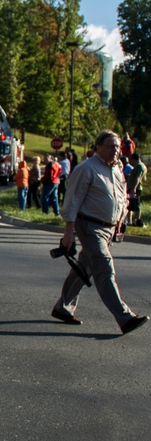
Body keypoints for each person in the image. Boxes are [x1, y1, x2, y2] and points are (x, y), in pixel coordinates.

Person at [51, 130, 147, 333]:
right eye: (111, 146)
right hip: (89, 226)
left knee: (84, 267)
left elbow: (120, 197)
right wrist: (68, 232)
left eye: (117, 147)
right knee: (104, 268)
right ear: (97, 148)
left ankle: (63, 307)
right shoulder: (86, 169)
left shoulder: (116, 168)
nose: (115, 150)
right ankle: (124, 317)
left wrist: (120, 222)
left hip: (108, 228)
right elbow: (72, 200)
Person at [126, 147, 145, 227]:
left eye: (131, 160)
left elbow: (138, 177)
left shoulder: (139, 166)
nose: (130, 162)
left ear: (134, 159)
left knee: (135, 204)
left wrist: (134, 187)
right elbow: (144, 178)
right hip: (133, 188)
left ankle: (137, 220)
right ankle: (129, 221)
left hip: (135, 189)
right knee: (130, 204)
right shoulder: (141, 166)